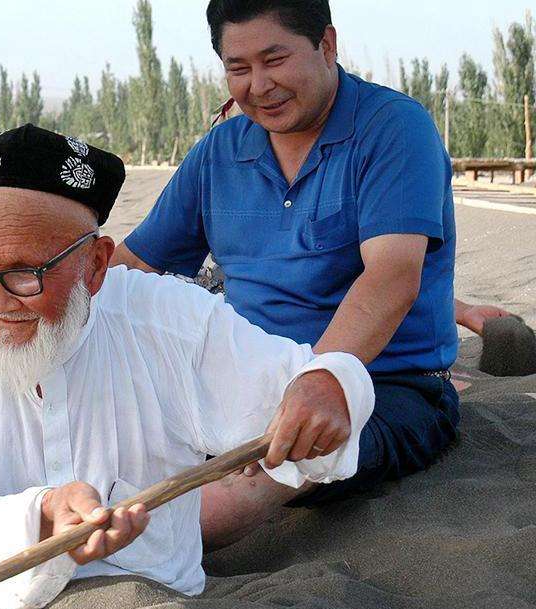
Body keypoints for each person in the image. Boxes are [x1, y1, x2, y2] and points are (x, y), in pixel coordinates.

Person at [0, 125, 374, 609]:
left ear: (95, 266)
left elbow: (310, 387)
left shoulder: (172, 323)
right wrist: (42, 519)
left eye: (26, 274)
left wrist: (328, 386)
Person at [111, 0, 502, 549]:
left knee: (235, 496)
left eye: (275, 59)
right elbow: (131, 269)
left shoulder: (394, 129)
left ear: (327, 44)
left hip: (380, 385)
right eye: (238, 68)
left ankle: (139, 543)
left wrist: (325, 378)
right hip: (242, 376)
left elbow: (391, 277)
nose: (259, 86)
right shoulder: (221, 151)